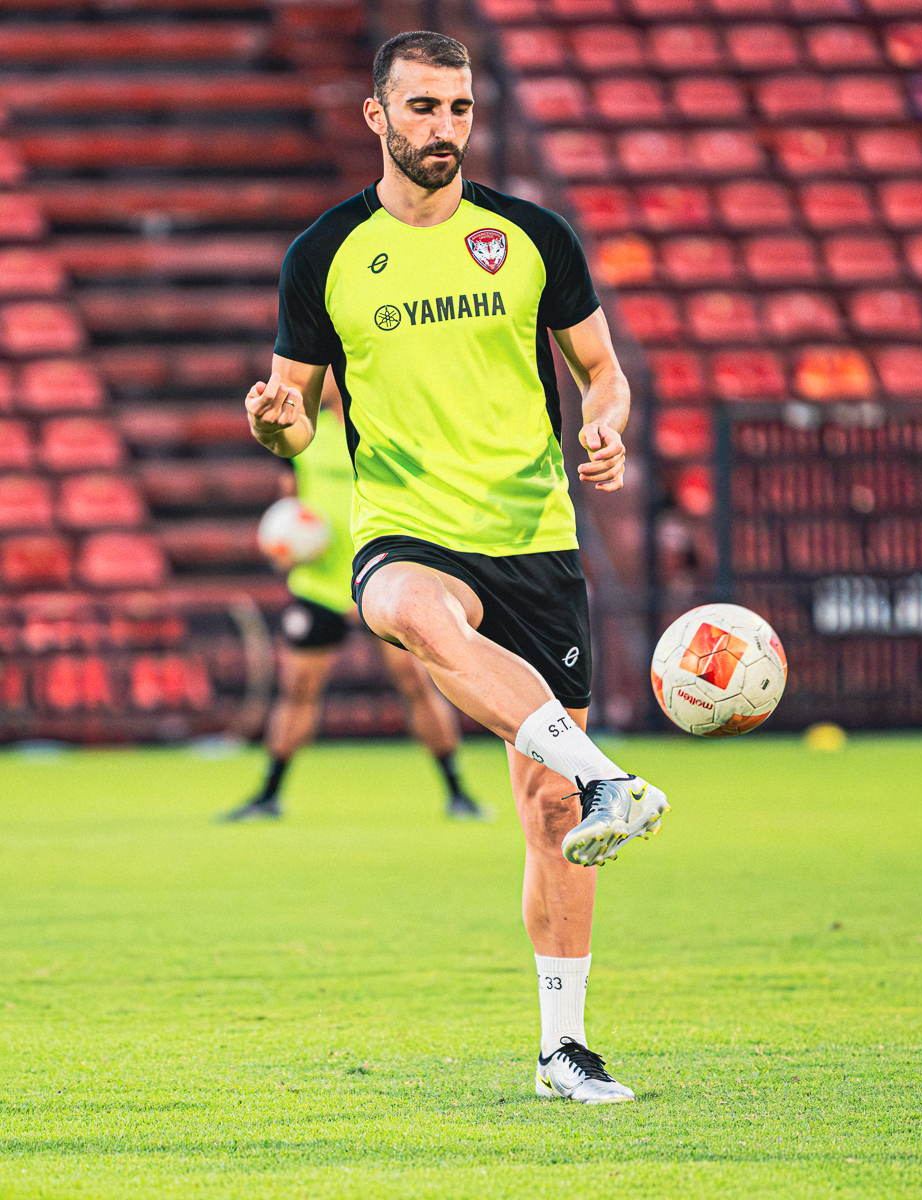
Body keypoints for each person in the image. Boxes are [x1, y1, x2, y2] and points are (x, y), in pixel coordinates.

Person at [242, 30, 669, 1104]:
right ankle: (605, 769)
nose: (445, 129)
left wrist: (607, 429)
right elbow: (294, 424)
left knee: (548, 815)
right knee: (412, 611)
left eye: (461, 109)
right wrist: (272, 423)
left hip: (533, 534)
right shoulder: (323, 255)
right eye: (423, 108)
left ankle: (562, 1048)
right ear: (377, 117)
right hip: (405, 525)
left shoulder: (530, 237)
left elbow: (602, 373)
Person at [224, 369, 488, 822]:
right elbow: (290, 505)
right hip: (322, 586)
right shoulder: (303, 438)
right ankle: (268, 794)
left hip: (385, 579)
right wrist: (283, 546)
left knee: (416, 684)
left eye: (323, 371)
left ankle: (457, 791)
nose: (312, 379)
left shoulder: (390, 434)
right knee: (298, 690)